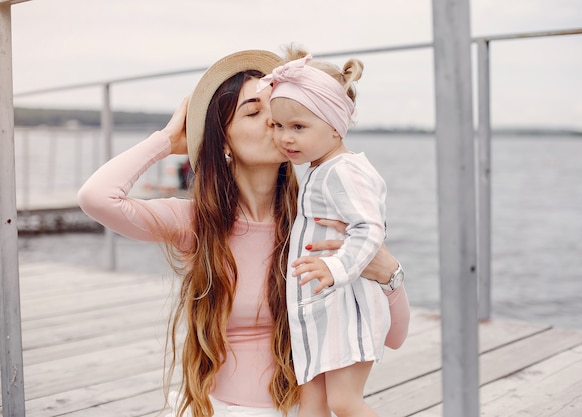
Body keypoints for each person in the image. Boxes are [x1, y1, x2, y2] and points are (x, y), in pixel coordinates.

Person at [77, 49, 410, 417]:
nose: (274, 122)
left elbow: (393, 337)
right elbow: (96, 198)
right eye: (254, 112)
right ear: (223, 140)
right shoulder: (197, 222)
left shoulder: (320, 223)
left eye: (281, 111)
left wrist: (388, 273)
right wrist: (168, 140)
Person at [259, 49, 390, 417]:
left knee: (344, 402)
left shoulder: (341, 171)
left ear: (335, 126)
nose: (286, 137)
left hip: (346, 308)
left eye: (298, 127)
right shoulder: (321, 168)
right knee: (311, 404)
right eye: (278, 126)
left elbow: (369, 228)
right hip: (320, 309)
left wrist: (335, 268)